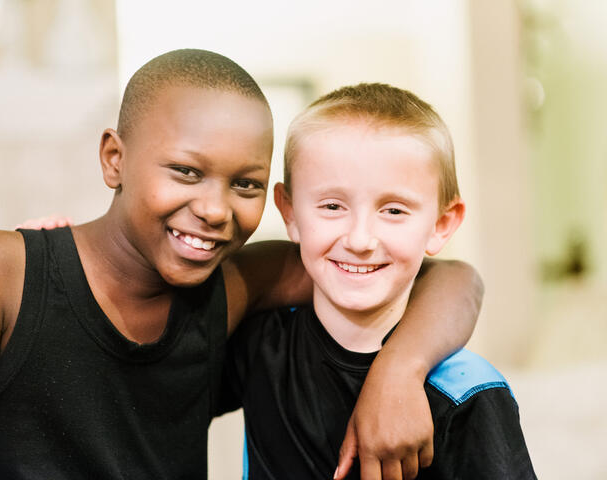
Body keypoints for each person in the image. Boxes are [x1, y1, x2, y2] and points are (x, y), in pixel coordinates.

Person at [0, 51, 482, 479]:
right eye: (186, 172)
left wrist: (399, 370)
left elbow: (452, 278)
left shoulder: (230, 287)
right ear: (114, 159)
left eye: (245, 184)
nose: (215, 210)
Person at [218, 83, 536, 479]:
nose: (360, 240)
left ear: (441, 224)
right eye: (332, 206)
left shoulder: (471, 393)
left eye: (394, 210)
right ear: (290, 213)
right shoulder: (260, 345)